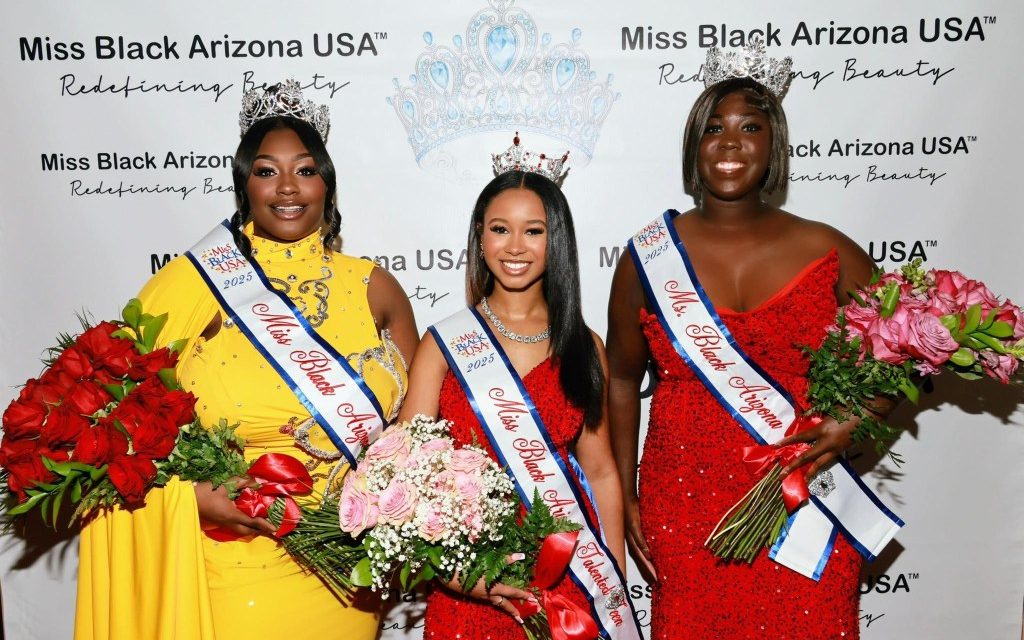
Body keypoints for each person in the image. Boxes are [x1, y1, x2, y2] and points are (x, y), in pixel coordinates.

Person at [74, 81, 418, 640]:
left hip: (343, 572)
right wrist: (194, 499)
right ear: (243, 186)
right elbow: (109, 422)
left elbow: (416, 434)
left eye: (305, 170)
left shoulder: (377, 288)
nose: (287, 187)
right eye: (266, 171)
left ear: (328, 183)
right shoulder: (196, 282)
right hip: (233, 566)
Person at [606, 41, 893, 639]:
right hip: (683, 506)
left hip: (802, 499)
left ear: (774, 144)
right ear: (693, 145)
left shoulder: (828, 249)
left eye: (750, 127)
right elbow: (622, 380)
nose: (730, 142)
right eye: (713, 127)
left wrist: (853, 423)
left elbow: (907, 354)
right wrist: (627, 491)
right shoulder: (647, 258)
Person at [399, 137, 641, 639]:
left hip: (566, 576)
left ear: (557, 241)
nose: (514, 247)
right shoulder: (443, 345)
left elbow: (600, 472)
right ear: (479, 239)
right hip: (470, 583)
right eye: (500, 230)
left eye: (534, 231)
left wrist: (610, 585)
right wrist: (461, 576)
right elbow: (407, 479)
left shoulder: (583, 345)